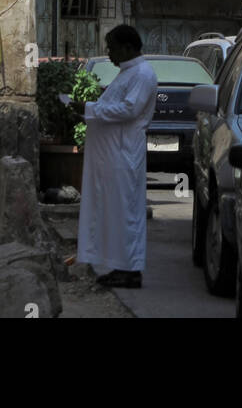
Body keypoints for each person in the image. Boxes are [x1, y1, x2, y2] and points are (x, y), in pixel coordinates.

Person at [71, 25, 158, 289]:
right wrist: (90, 109)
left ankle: (130, 269)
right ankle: (118, 265)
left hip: (124, 153)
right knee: (113, 211)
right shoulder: (128, 73)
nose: (109, 54)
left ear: (128, 48)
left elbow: (129, 109)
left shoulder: (142, 74)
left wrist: (89, 109)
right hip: (113, 154)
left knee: (126, 212)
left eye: (112, 48)